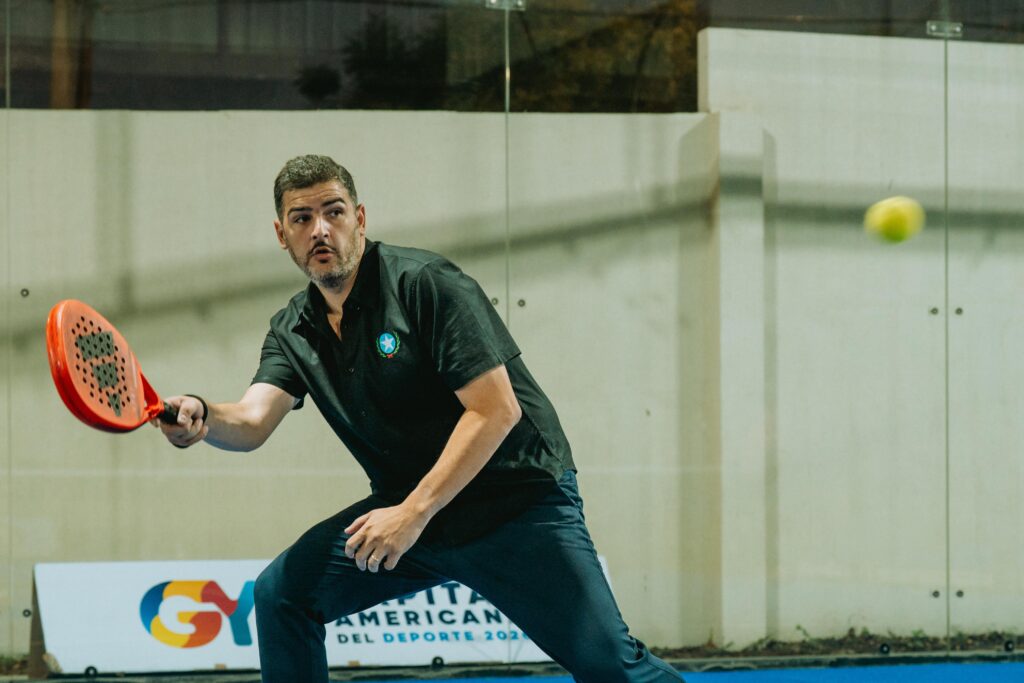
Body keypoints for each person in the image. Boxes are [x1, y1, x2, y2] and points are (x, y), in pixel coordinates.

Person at [156, 154, 683, 683]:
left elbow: (496, 409)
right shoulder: (293, 328)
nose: (320, 230)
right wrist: (203, 417)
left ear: (360, 219)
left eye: (333, 212)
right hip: (409, 513)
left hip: (516, 506)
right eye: (301, 218)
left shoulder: (426, 284)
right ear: (281, 234)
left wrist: (411, 513)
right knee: (282, 596)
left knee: (613, 668)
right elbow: (251, 420)